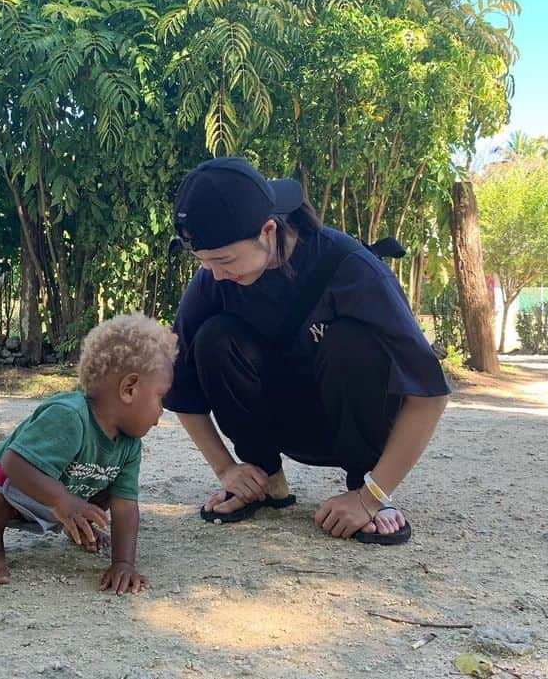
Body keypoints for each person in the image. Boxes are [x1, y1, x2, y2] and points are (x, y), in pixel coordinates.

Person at [164, 157, 451, 545]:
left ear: (268, 231)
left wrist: (373, 495)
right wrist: (226, 469)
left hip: (349, 421)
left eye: (224, 261)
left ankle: (361, 489)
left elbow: (428, 394)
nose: (215, 275)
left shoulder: (351, 267)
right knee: (214, 337)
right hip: (278, 419)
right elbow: (176, 383)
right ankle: (264, 480)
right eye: (204, 263)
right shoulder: (213, 279)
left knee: (351, 342)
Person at [0, 313, 176, 592]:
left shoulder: (129, 444)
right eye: (160, 397)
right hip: (14, 488)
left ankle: (76, 526)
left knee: (108, 489)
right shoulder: (69, 415)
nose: (161, 412)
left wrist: (123, 563)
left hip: (63, 498)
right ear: (129, 388)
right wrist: (61, 499)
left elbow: (125, 505)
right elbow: (13, 462)